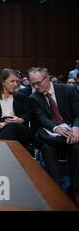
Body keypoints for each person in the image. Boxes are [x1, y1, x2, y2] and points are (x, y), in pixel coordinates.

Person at [28, 67, 79, 204]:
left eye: (39, 83)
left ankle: (75, 189)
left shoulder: (68, 90)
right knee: (46, 147)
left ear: (48, 78)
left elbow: (77, 114)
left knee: (76, 148)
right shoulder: (34, 97)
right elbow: (42, 118)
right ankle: (55, 188)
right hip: (50, 133)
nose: (36, 87)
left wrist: (76, 128)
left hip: (71, 130)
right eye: (33, 84)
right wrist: (56, 128)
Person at [0, 68, 32, 148]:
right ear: (3, 82)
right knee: (7, 130)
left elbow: (28, 114)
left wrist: (20, 119)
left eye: (17, 81)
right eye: (12, 81)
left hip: (19, 128)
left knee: (12, 126)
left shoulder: (21, 96)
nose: (15, 84)